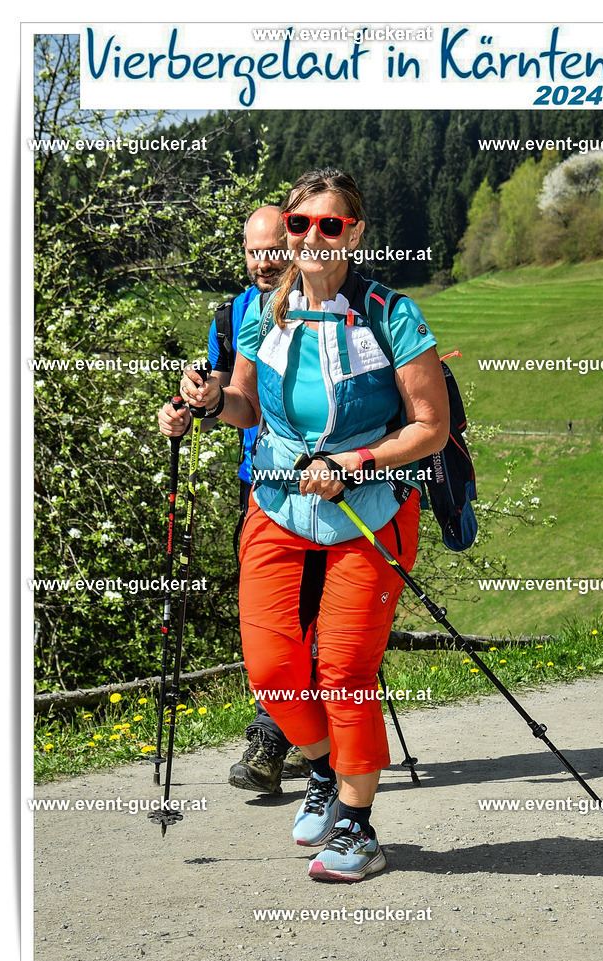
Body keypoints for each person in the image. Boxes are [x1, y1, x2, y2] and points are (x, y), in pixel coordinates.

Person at [180, 167, 449, 882]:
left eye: (331, 225)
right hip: (278, 502)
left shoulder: (392, 315)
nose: (312, 238)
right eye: (300, 224)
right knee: (272, 670)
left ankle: (358, 827)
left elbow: (430, 426)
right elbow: (245, 405)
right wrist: (211, 400)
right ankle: (325, 767)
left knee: (345, 672)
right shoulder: (262, 312)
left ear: (354, 234)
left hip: (370, 509)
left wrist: (355, 461)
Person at [158, 205, 309, 795]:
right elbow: (223, 389)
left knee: (308, 611)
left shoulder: (325, 302)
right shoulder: (232, 315)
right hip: (258, 481)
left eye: (272, 250)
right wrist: (186, 407)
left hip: (327, 479)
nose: (262, 262)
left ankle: (279, 736)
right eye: (252, 251)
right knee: (272, 615)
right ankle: (293, 732)